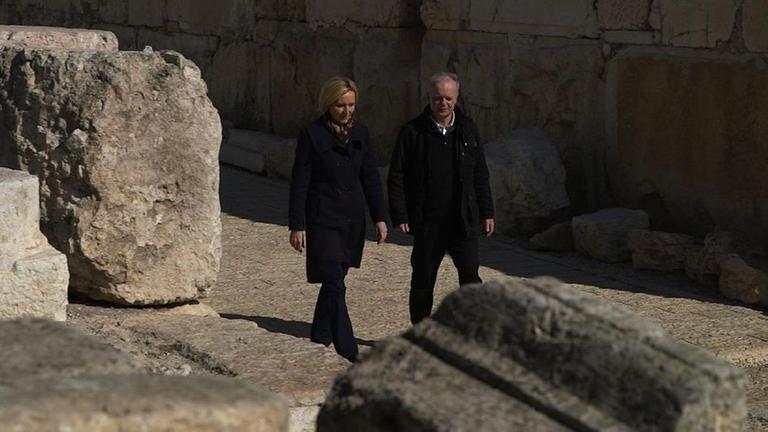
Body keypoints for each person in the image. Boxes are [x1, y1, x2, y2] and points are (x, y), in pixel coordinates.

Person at [288, 76, 388, 362]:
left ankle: (321, 333)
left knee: (336, 280)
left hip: (351, 219)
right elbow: (300, 182)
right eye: (340, 105)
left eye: (351, 105)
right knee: (335, 282)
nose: (346, 111)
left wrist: (380, 217)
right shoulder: (312, 135)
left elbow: (370, 177)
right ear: (328, 105)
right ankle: (348, 347)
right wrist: (297, 225)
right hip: (323, 218)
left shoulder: (361, 133)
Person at [387, 72, 495, 325]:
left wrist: (487, 211)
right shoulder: (412, 131)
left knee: (471, 278)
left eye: (448, 98)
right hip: (428, 221)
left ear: (456, 98)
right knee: (423, 280)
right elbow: (397, 175)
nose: (443, 103)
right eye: (438, 98)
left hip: (462, 220)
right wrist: (400, 214)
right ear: (429, 98)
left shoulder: (468, 129)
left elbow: (480, 173)